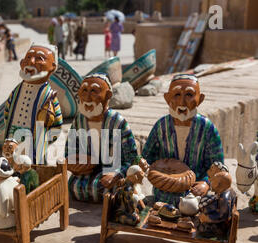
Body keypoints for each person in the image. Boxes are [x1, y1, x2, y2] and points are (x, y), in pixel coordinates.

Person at [142, 74, 224, 206]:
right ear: (167, 98)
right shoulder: (161, 126)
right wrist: (142, 165)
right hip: (164, 191)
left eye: (189, 95)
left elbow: (217, 166)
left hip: (194, 193)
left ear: (200, 98)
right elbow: (147, 157)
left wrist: (205, 183)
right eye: (177, 95)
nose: (182, 103)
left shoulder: (207, 128)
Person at [65, 73, 141, 203]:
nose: (87, 97)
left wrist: (116, 174)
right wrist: (74, 163)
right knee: (73, 185)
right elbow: (70, 152)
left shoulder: (117, 122)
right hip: (85, 174)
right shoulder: (79, 121)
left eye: (94, 91)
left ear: (108, 96)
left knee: (107, 187)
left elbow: (131, 159)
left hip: (111, 171)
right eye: (84, 90)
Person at [0, 43, 63, 164]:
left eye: (39, 59)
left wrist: (42, 141)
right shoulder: (17, 91)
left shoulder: (48, 96)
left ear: (52, 67)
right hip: (12, 143)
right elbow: (7, 112)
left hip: (34, 149)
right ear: (21, 63)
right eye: (28, 57)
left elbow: (57, 124)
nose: (31, 62)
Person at [0, 157, 19, 229]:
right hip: (18, 212)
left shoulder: (2, 187)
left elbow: (2, 213)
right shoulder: (13, 180)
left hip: (12, 218)